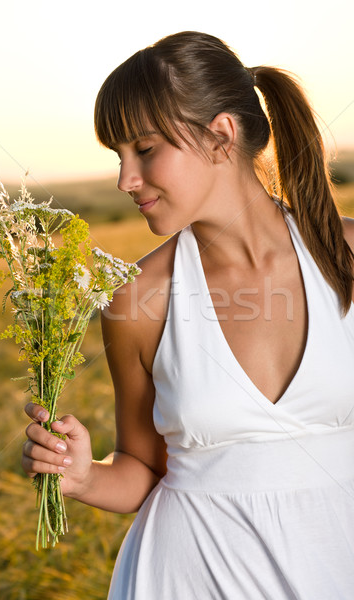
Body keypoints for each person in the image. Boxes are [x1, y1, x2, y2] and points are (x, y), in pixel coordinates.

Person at [22, 31, 354, 599]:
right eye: (119, 157)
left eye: (144, 149)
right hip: (188, 578)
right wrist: (82, 476)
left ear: (222, 136)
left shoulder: (344, 257)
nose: (126, 179)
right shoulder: (135, 302)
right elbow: (142, 469)